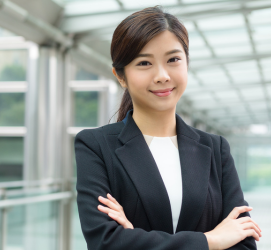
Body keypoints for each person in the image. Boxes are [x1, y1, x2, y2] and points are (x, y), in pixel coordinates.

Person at [74, 6, 261, 250]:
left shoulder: (216, 149)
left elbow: (243, 243)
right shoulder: (96, 146)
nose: (162, 75)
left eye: (173, 59)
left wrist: (135, 238)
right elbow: (106, 242)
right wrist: (211, 239)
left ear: (187, 64)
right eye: (144, 63)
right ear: (121, 76)